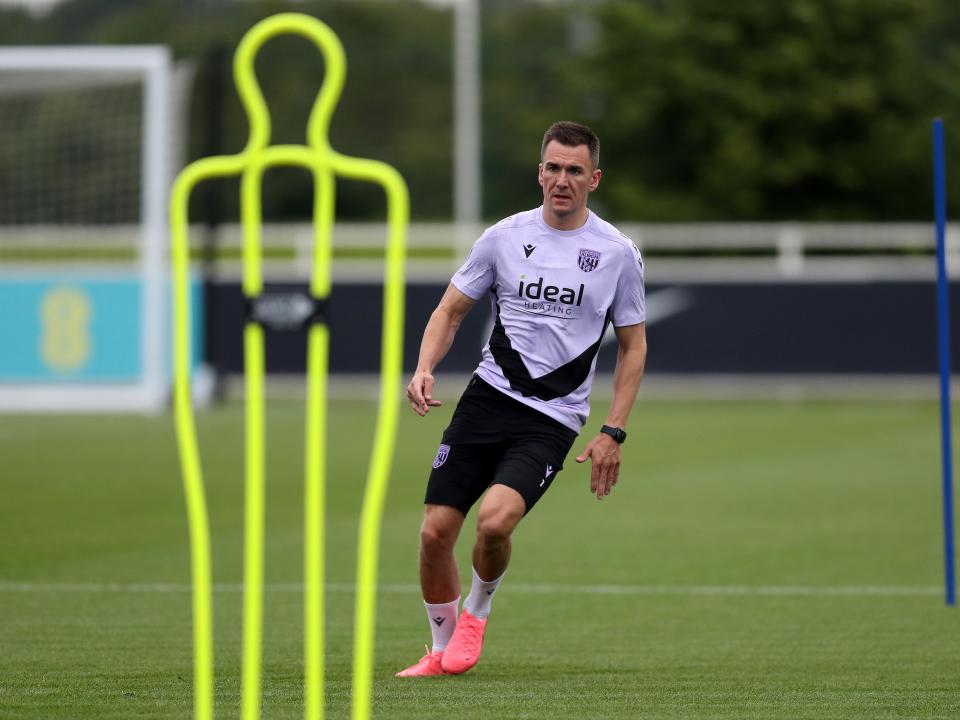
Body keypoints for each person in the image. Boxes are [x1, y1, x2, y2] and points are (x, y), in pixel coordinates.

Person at [396, 121, 647, 678]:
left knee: (493, 523)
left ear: (594, 179)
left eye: (574, 170)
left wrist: (613, 430)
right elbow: (450, 311)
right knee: (436, 531)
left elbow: (633, 347)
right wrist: (424, 368)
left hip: (553, 416)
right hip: (487, 399)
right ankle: (438, 652)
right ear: (540, 172)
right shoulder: (503, 237)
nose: (562, 180)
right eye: (553, 168)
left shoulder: (617, 254)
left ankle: (476, 614)